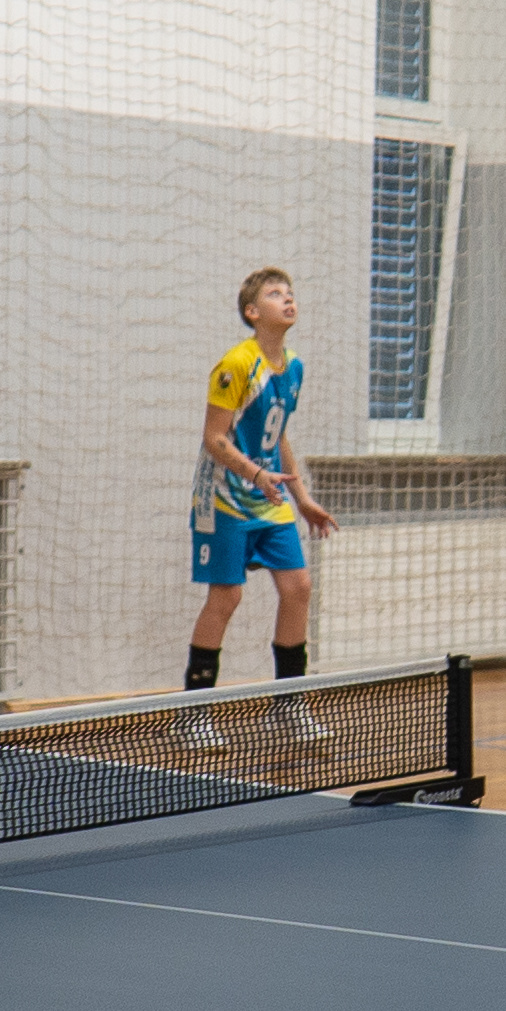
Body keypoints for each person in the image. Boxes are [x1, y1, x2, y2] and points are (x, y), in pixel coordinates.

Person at [179, 265, 328, 730]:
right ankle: (194, 715)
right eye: (274, 293)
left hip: (268, 495)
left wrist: (300, 496)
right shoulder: (237, 364)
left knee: (298, 588)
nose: (288, 298)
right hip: (224, 496)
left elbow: (279, 435)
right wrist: (255, 472)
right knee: (226, 597)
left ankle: (288, 705)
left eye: (290, 291)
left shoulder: (295, 366)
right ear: (251, 311)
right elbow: (214, 438)